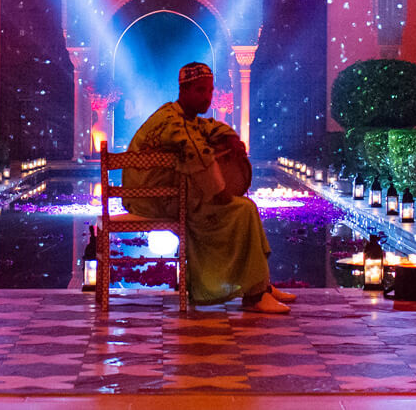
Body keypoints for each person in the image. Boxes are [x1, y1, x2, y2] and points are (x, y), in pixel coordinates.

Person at [123, 62, 296, 313]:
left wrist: (230, 138)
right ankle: (255, 294)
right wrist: (219, 193)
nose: (207, 98)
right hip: (154, 200)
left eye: (210, 91)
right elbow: (197, 153)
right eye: (200, 91)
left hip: (168, 196)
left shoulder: (182, 117)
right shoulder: (173, 122)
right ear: (184, 91)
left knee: (246, 207)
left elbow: (210, 127)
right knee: (243, 210)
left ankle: (261, 286)